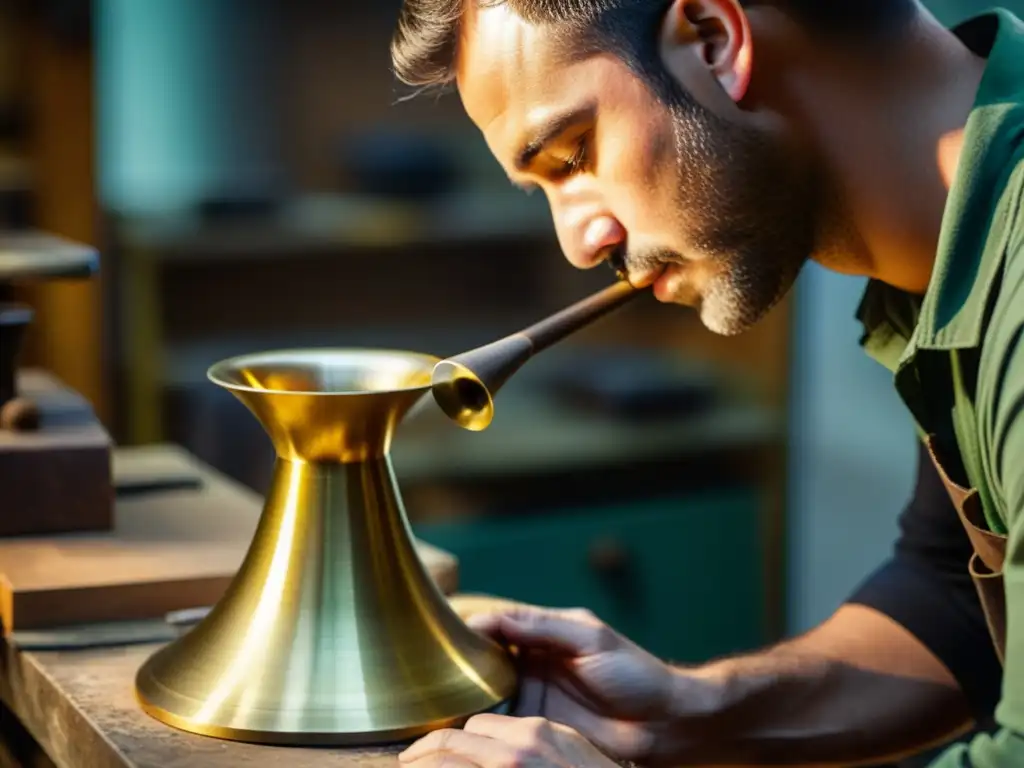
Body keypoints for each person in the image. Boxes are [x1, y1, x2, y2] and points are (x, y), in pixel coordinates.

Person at [387, 0, 1024, 765]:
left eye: (573, 154)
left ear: (716, 40)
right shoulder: (954, 238)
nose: (581, 244)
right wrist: (682, 711)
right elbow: (953, 601)